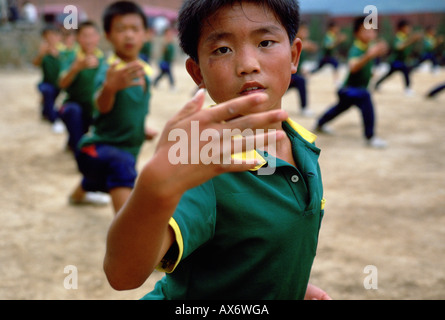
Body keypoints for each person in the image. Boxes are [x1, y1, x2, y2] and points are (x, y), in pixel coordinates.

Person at [103, 0, 330, 300]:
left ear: (294, 54)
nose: (248, 64)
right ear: (197, 72)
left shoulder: (301, 145)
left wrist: (288, 286)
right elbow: (123, 274)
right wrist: (153, 188)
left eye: (265, 42)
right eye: (222, 49)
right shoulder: (203, 163)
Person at [69, 1, 156, 213]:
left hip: (118, 153)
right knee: (120, 166)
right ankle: (126, 232)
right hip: (95, 150)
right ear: (108, 35)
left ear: (146, 34)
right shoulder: (109, 70)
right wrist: (109, 88)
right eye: (120, 29)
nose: (128, 35)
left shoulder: (144, 74)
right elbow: (101, 105)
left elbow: (133, 111)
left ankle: (78, 196)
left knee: (103, 175)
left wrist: (140, 129)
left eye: (135, 29)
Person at [315, 16, 389, 149]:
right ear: (356, 34)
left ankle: (320, 123)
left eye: (372, 30)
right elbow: (353, 67)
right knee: (365, 97)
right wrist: (369, 55)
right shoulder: (356, 48)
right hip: (349, 89)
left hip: (355, 90)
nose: (370, 33)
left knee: (339, 108)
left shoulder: (368, 47)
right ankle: (370, 137)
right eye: (366, 31)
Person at [58, 21, 104, 152]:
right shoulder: (71, 57)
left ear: (98, 37)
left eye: (92, 35)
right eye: (85, 36)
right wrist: (76, 68)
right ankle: (79, 148)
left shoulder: (103, 60)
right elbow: (61, 83)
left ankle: (76, 141)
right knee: (73, 111)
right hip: (74, 107)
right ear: (78, 38)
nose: (89, 40)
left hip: (94, 111)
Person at [374, 19, 422, 95]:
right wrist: (411, 40)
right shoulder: (398, 37)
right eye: (407, 27)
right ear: (402, 28)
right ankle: (408, 89)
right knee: (403, 71)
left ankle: (377, 84)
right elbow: (399, 47)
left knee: (391, 74)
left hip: (402, 61)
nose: (409, 29)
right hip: (395, 61)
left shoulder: (406, 37)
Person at [32, 24, 64, 133]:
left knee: (50, 98)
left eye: (54, 36)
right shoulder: (43, 52)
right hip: (46, 83)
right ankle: (54, 120)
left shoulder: (63, 51)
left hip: (60, 84)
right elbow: (35, 64)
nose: (51, 39)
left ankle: (45, 112)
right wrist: (42, 53)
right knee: (48, 92)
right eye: (48, 37)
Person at [287, 21, 318, 117]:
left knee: (301, 81)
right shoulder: (290, 41)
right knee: (301, 81)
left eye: (306, 31)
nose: (306, 33)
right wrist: (304, 46)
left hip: (293, 75)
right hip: (285, 75)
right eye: (304, 30)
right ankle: (304, 108)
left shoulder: (302, 44)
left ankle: (304, 108)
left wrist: (303, 71)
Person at [153, 26, 176, 91]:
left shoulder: (171, 41)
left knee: (162, 74)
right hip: (165, 62)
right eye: (168, 33)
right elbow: (163, 51)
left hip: (168, 61)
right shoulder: (165, 41)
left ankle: (154, 82)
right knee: (169, 74)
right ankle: (172, 86)